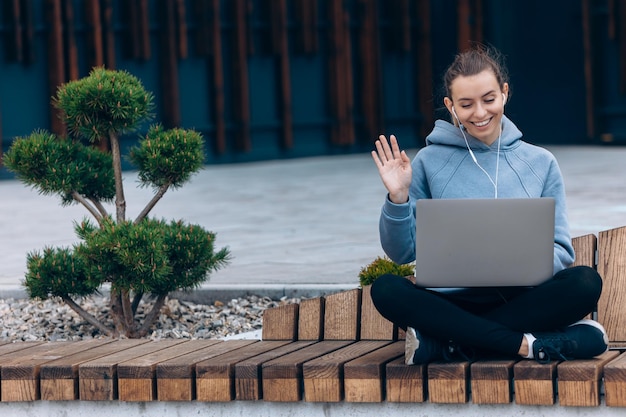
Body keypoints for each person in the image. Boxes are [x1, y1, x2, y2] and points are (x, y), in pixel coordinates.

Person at [369, 45, 609, 365]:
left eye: (489, 99)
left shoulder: (541, 162)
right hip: (451, 304)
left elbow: (561, 249)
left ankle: (451, 346)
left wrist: (518, 264)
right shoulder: (427, 162)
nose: (480, 114)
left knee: (584, 283)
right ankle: (525, 346)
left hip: (522, 299)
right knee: (386, 289)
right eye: (466, 104)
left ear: (504, 93)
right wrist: (398, 198)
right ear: (450, 106)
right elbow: (401, 253)